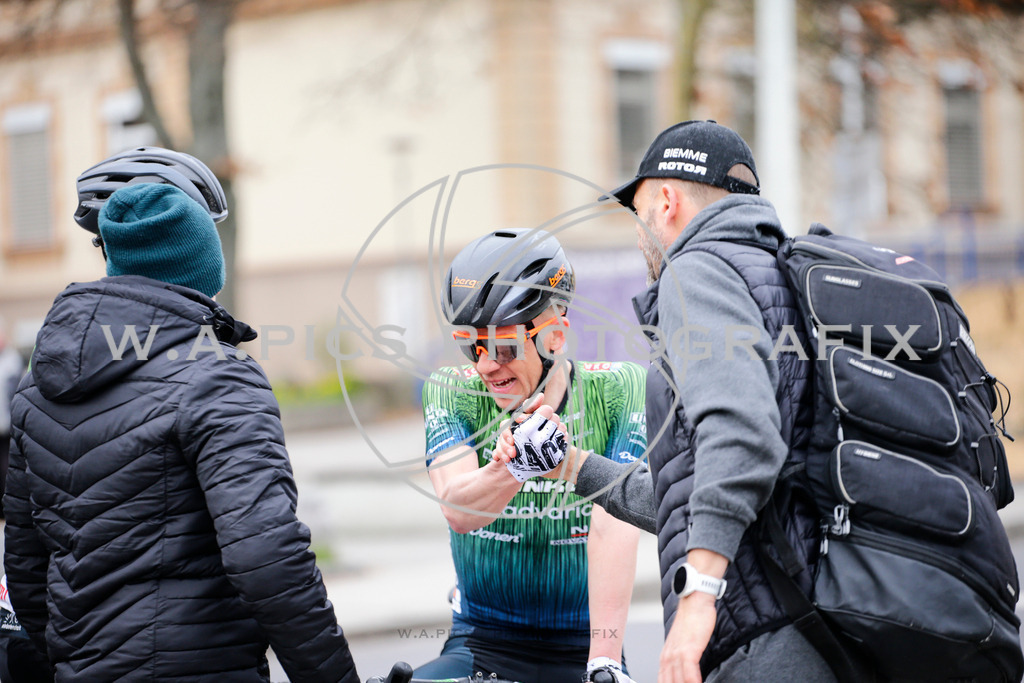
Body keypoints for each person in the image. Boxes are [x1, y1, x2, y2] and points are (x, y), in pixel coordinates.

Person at [3, 165, 360, 681]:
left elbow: (25, 565)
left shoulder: (36, 385)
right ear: (202, 272)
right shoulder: (219, 375)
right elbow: (267, 557)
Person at [601, 120, 832, 683]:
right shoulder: (783, 278)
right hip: (828, 627)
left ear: (667, 201)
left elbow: (742, 437)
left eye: (639, 212)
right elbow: (705, 490)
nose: (639, 232)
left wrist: (698, 596)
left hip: (766, 638)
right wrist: (576, 468)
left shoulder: (698, 273)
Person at [416, 228, 646, 683]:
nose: (486, 365)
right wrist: (514, 467)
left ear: (554, 336)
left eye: (503, 346)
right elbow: (458, 508)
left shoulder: (619, 389)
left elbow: (613, 526)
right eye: (472, 344)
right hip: (481, 642)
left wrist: (603, 661)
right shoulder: (452, 389)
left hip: (585, 645)